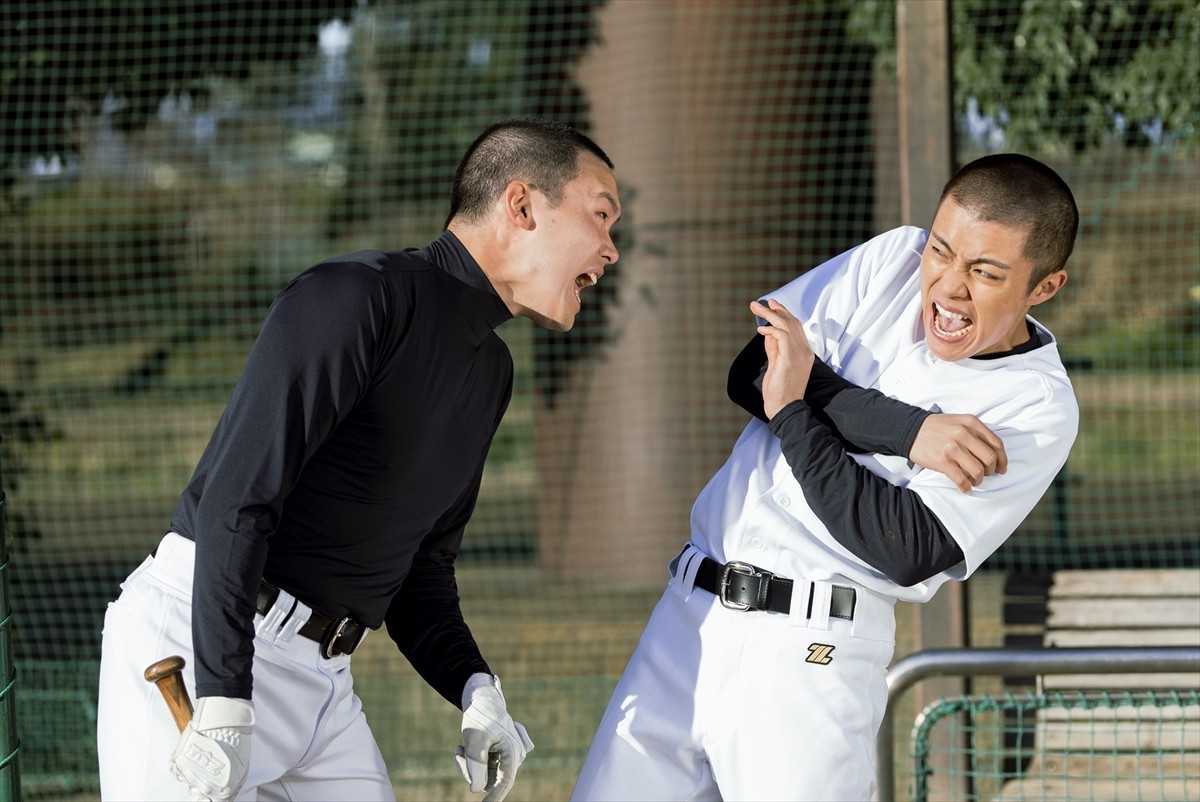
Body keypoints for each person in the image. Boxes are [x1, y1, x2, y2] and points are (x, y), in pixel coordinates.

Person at [97, 116, 621, 802]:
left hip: (325, 686)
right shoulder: (352, 298)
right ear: (520, 205)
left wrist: (477, 688)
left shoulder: (491, 372)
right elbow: (237, 499)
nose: (611, 250)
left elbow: (420, 570)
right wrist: (225, 694)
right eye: (600, 216)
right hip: (195, 648)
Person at [571, 153, 1079, 801]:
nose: (949, 287)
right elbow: (753, 368)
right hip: (687, 620)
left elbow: (903, 545)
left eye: (985, 272)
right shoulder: (895, 257)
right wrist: (908, 430)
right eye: (943, 251)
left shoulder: (1037, 404)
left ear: (1044, 288)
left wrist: (796, 408)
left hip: (810, 654)